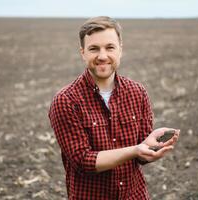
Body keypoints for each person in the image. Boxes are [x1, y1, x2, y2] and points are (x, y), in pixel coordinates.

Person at [48, 16, 180, 200]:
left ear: (120, 50)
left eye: (110, 47)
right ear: (82, 52)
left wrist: (150, 147)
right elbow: (82, 161)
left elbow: (141, 156)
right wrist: (136, 149)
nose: (102, 56)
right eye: (94, 48)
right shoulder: (66, 101)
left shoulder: (137, 93)